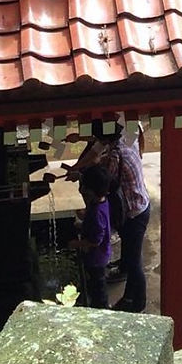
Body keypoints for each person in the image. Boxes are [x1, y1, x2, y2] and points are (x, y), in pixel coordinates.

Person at [68, 120, 151, 312]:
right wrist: (78, 163)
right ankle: (125, 277)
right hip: (138, 202)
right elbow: (95, 150)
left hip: (134, 212)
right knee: (130, 255)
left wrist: (80, 175)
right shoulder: (126, 138)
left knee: (134, 261)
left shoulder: (115, 156)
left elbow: (102, 182)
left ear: (105, 138)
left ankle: (136, 301)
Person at [71, 163, 111, 308]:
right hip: (99, 256)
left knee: (98, 288)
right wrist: (83, 224)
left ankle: (102, 310)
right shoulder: (102, 203)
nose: (82, 190)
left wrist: (78, 244)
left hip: (97, 258)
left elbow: (96, 240)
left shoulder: (96, 213)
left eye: (84, 188)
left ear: (91, 191)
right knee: (93, 283)